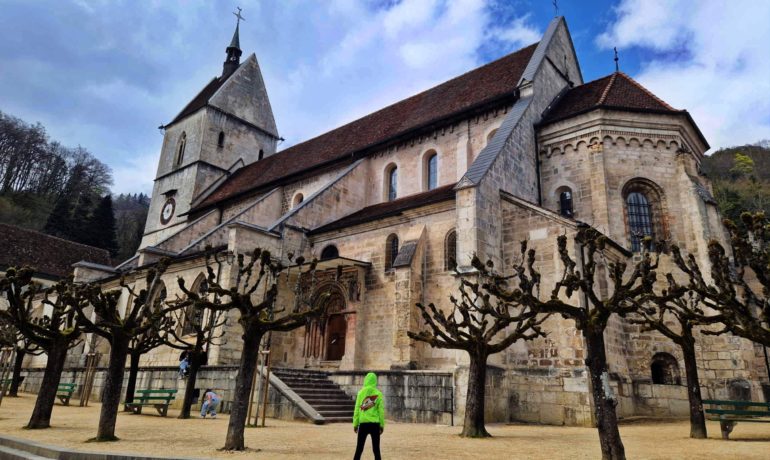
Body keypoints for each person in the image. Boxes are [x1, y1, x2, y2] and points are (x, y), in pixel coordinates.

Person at [353, 372, 385, 460]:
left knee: (359, 449)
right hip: (374, 424)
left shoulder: (360, 393)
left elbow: (356, 410)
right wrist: (381, 425)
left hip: (363, 424)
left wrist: (355, 424)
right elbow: (381, 411)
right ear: (375, 381)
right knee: (376, 450)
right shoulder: (378, 394)